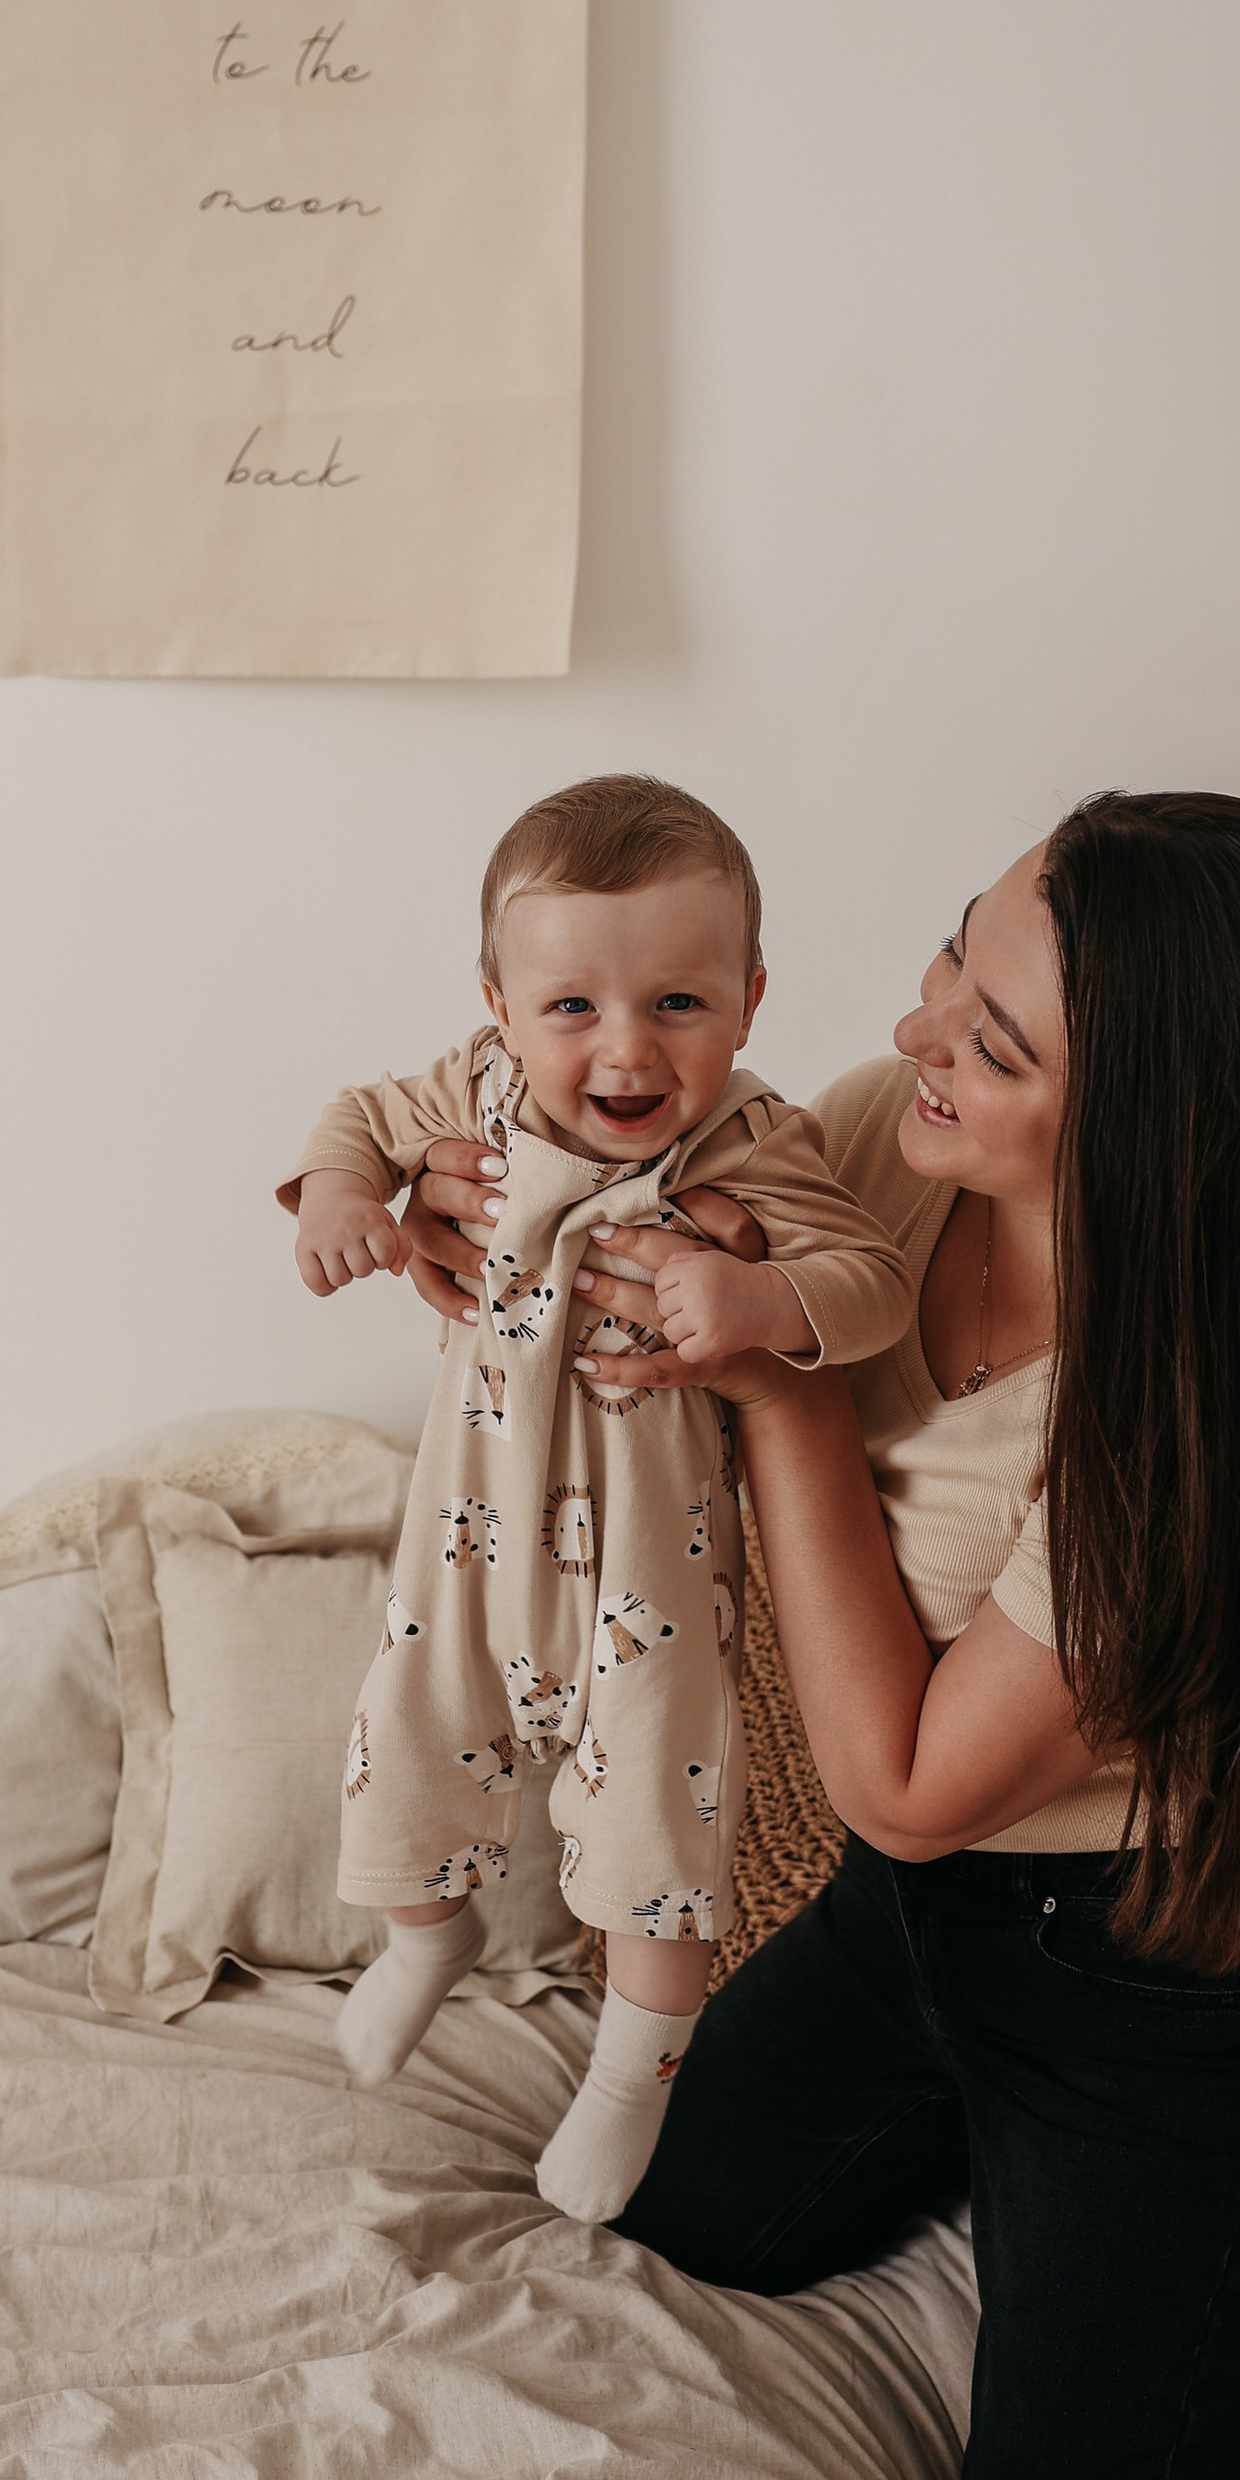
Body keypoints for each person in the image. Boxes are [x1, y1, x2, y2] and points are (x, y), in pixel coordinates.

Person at [390, 793, 1240, 2480]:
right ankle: (1009, 2161)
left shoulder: (1191, 1433)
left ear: (1146, 1129)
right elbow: (600, 1155)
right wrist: (457, 1201)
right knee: (692, 2225)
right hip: (909, 1926)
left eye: (992, 1044)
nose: (918, 1029)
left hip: (1167, 1975)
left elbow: (911, 1781)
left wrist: (787, 1389)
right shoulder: (877, 1144)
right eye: (951, 953)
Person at [281, 773, 914, 2220]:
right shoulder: (476, 1100)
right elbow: (354, 1121)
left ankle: (633, 2071)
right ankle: (424, 1944)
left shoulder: (754, 1145)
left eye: (679, 1004)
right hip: (463, 1556)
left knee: (654, 1831)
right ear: (499, 1003)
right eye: (573, 1006)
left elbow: (869, 1287)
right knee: (402, 1754)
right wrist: (337, 1201)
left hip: (652, 1586)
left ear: (749, 1001)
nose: (626, 1049)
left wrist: (757, 1295)